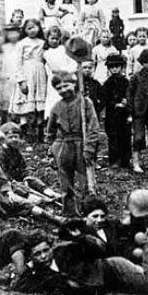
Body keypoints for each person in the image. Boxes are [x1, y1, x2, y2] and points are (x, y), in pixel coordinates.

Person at [46, 71, 100, 216]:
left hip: (82, 143)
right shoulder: (56, 107)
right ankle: (69, 211)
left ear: (74, 84)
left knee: (85, 180)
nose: (63, 90)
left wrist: (89, 148)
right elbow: (50, 132)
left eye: (66, 85)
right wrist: (52, 152)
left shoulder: (85, 103)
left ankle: (87, 208)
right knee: (65, 180)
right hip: (64, 145)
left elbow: (94, 127)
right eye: (59, 88)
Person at [10, 18, 47, 142]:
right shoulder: (22, 44)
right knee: (25, 99)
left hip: (40, 73)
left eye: (35, 27)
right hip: (27, 72)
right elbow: (17, 63)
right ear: (25, 30)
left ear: (39, 28)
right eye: (29, 28)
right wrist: (21, 80)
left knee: (39, 99)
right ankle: (25, 129)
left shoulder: (43, 42)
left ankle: (40, 130)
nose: (32, 30)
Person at [100, 54, 131, 169]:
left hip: (124, 114)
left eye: (117, 66)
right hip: (112, 115)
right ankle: (113, 160)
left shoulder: (126, 82)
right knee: (113, 137)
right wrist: (115, 104)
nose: (114, 69)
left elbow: (130, 96)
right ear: (108, 69)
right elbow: (105, 98)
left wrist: (126, 102)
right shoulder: (107, 83)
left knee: (125, 137)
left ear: (122, 67)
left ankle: (125, 161)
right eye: (112, 67)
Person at [42, 25, 77, 120]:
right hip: (54, 79)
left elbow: (73, 63)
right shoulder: (47, 53)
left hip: (67, 77)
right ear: (47, 38)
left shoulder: (64, 50)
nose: (54, 41)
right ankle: (54, 119)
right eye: (52, 38)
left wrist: (67, 72)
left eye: (57, 39)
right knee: (54, 98)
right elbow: (53, 67)